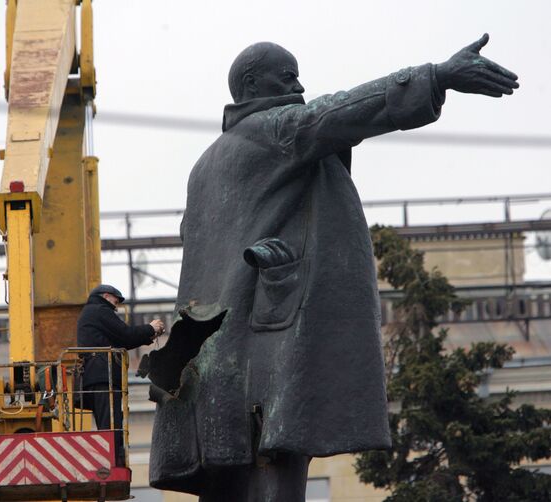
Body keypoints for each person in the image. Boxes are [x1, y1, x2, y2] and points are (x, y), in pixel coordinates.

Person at [139, 35, 518, 501]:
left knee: (231, 477)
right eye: (288, 74)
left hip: (213, 357)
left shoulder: (203, 166)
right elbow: (341, 112)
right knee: (280, 460)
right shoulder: (275, 129)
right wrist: (436, 76)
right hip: (268, 337)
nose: (298, 83)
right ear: (253, 84)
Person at [77, 284, 164, 465]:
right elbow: (125, 334)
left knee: (109, 421)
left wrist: (148, 336)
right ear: (106, 296)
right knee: (111, 422)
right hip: (103, 376)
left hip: (96, 375)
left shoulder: (92, 312)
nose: (116, 306)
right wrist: (150, 327)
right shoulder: (100, 310)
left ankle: (111, 459)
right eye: (116, 301)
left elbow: (122, 340)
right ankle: (112, 461)